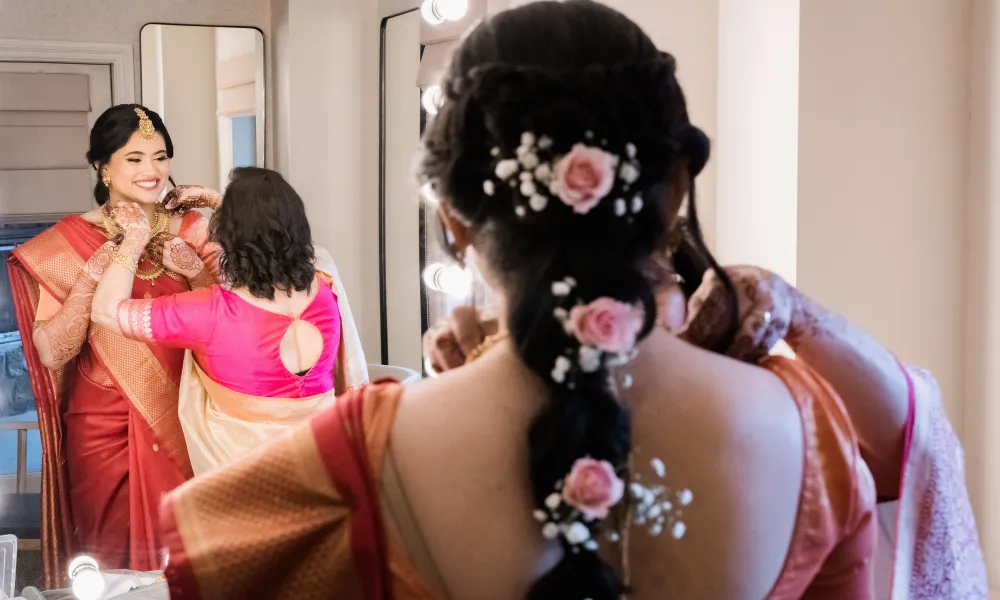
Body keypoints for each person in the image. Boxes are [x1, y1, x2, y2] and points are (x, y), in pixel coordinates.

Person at [156, 2, 984, 598]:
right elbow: (913, 434)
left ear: (454, 221)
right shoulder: (811, 434)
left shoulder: (352, 464)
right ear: (674, 195)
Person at [6, 104, 219, 581]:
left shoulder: (194, 231)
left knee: (190, 559)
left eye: (160, 156)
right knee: (108, 564)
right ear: (103, 166)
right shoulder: (65, 242)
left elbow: (241, 317)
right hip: (102, 426)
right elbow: (51, 351)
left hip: (186, 416)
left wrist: (197, 267)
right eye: (134, 158)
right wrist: (109, 260)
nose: (152, 171)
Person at [91, 167, 368, 477]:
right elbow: (288, 246)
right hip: (329, 472)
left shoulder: (211, 313)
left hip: (249, 492)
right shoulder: (328, 288)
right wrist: (219, 202)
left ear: (227, 236)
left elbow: (105, 311)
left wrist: (134, 239)